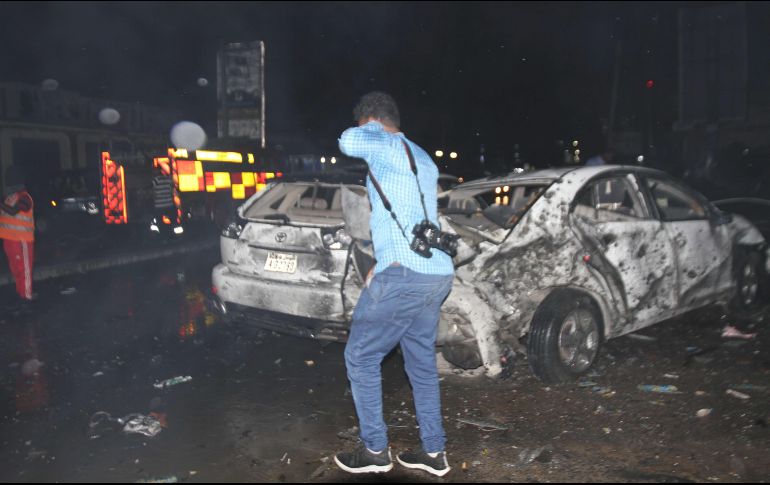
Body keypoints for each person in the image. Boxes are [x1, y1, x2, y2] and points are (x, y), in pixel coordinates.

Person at [334, 92, 455, 477]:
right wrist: (382, 264)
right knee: (420, 365)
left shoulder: (382, 142)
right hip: (434, 273)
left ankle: (374, 450)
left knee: (360, 357)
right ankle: (434, 453)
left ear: (372, 120)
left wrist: (367, 128)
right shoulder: (421, 156)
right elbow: (410, 214)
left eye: (364, 123)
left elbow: (346, 141)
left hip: (405, 275)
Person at [0, 165, 35, 305]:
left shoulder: (25, 197)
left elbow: (13, 211)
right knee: (16, 270)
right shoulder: (9, 197)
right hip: (9, 240)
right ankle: (21, 296)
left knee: (24, 270)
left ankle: (26, 299)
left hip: (22, 240)